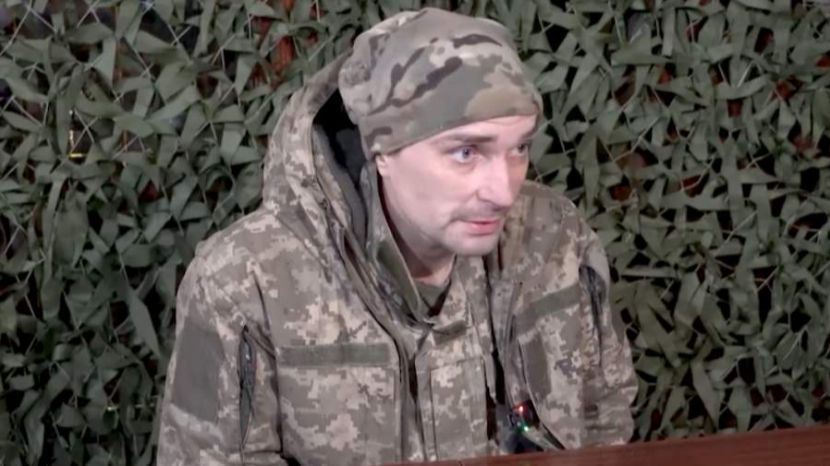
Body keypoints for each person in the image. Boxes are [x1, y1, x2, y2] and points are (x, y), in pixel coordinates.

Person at [156, 7, 637, 466]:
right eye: (466, 152)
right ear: (382, 151)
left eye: (519, 148)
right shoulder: (244, 285)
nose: (503, 190)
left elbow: (605, 419)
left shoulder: (555, 239)